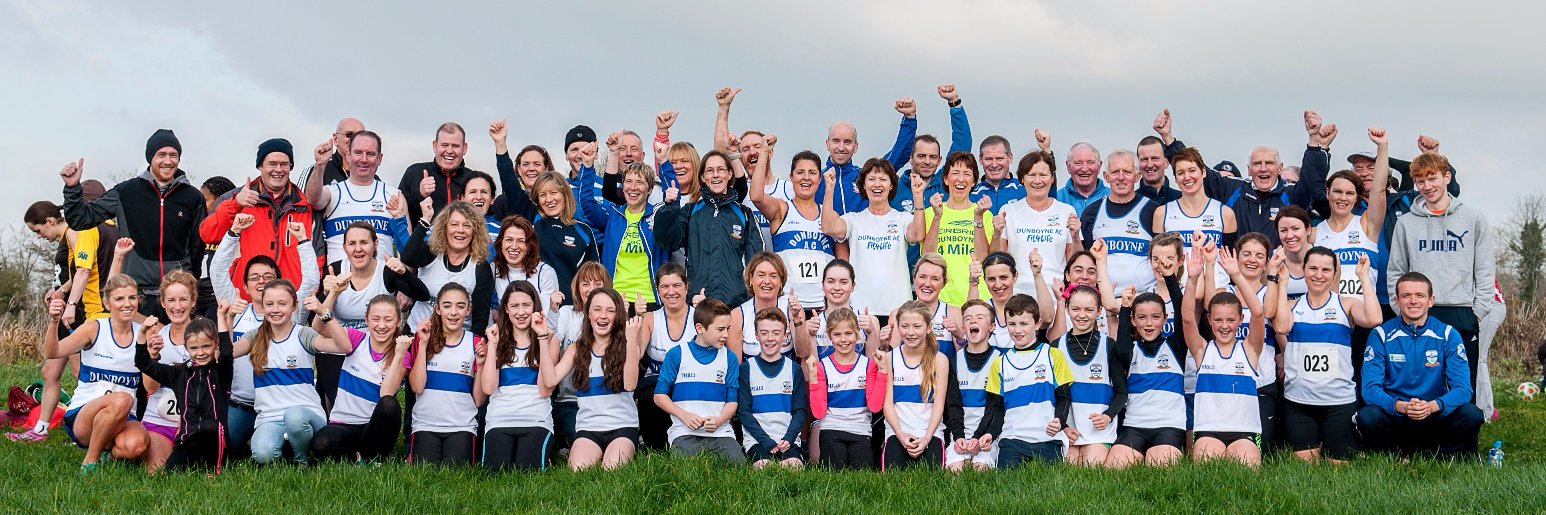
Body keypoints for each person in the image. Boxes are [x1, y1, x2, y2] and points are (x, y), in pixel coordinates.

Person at [59, 130, 207, 317]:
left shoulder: (193, 197)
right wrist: (72, 188)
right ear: (150, 158)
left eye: (173, 155)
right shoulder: (126, 192)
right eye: (161, 155)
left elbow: (197, 246)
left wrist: (189, 281)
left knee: (177, 346)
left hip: (176, 295)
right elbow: (80, 220)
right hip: (136, 293)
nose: (168, 161)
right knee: (139, 346)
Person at [1386, 150, 1496, 399]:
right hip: (1419, 312)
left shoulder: (1474, 219)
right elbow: (1396, 271)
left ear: (1447, 177)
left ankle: (1459, 437)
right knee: (1422, 382)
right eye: (1420, 181)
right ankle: (1422, 437)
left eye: (1432, 178)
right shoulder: (1406, 223)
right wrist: (1400, 309)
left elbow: (1485, 270)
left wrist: (1478, 311)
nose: (1427, 186)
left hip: (1461, 311)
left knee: (1461, 383)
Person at [9, 202, 116, 443]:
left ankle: (85, 428)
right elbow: (71, 274)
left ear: (50, 221)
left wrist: (69, 302)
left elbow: (83, 271)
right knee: (49, 371)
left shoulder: (77, 233)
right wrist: (59, 291)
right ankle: (41, 428)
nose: (39, 237)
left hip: (79, 312)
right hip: (67, 308)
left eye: (38, 231)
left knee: (81, 373)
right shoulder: (66, 239)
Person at [1154, 109, 1334, 247]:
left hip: (1279, 278)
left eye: (1269, 163)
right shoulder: (1234, 189)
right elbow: (1194, 168)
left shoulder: (1292, 194)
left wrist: (1314, 143)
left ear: (1280, 168)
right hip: (1239, 279)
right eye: (1257, 164)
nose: (1263, 168)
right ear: (1248, 169)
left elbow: (1312, 181)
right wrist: (1168, 138)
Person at [1357, 272, 1484, 459]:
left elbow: (1463, 388)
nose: (1413, 301)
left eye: (1420, 295)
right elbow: (1369, 389)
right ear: (1397, 301)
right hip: (1397, 414)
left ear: (1431, 301)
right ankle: (1397, 454)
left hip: (1433, 413)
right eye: (1406, 295)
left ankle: (1438, 455)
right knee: (1367, 416)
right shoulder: (1380, 335)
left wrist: (1433, 406)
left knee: (1471, 414)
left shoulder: (1448, 334)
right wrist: (1400, 406)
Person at [1274, 246, 1381, 463]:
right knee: (1304, 467)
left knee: (1338, 468)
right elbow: (1282, 327)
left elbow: (1374, 319)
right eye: (1312, 268)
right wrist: (1283, 283)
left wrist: (1364, 277)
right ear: (1303, 270)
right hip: (1299, 401)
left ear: (1334, 273)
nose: (1318, 275)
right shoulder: (1292, 306)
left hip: (1338, 402)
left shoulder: (1346, 304)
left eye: (1325, 270)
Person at [232, 278, 354, 465]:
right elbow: (227, 353)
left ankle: (301, 460)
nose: (275, 309)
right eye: (269, 304)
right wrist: (227, 318)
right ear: (263, 307)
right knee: (263, 454)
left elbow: (344, 346)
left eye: (282, 304)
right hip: (271, 417)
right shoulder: (256, 336)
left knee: (294, 417)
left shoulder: (302, 334)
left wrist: (323, 312)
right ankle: (289, 446)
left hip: (306, 414)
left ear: (295, 306)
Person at [43, 275, 150, 472]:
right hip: (83, 416)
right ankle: (90, 461)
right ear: (106, 303)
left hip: (123, 418)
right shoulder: (94, 328)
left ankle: (107, 454)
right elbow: (52, 352)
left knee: (137, 446)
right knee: (122, 399)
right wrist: (53, 322)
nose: (127, 304)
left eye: (132, 298)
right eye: (119, 299)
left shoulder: (145, 333)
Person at [1180, 241, 1271, 467]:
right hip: (1209, 430)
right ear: (1209, 320)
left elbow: (1258, 314)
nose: (1224, 326)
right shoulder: (1202, 350)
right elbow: (1188, 318)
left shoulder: (1249, 349)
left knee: (1246, 475)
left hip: (1244, 431)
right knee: (1208, 473)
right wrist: (1192, 279)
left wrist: (1236, 274)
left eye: (1231, 320)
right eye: (1218, 320)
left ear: (1241, 320)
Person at [199, 138, 318, 301]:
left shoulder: (305, 204)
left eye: (284, 164)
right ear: (260, 166)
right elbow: (208, 234)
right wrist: (235, 205)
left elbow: (318, 252)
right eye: (272, 164)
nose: (278, 169)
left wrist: (305, 294)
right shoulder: (236, 198)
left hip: (291, 302)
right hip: (246, 300)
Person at [654, 149, 765, 306]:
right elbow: (667, 241)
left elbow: (757, 259)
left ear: (730, 174)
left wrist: (749, 297)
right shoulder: (691, 211)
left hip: (735, 304)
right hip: (697, 302)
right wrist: (670, 207)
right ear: (703, 177)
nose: (715, 175)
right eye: (710, 171)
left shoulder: (744, 213)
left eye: (721, 170)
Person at [307, 294, 409, 464]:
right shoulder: (356, 338)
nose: (381, 325)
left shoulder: (402, 353)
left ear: (398, 321)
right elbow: (319, 327)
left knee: (390, 404)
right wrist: (326, 306)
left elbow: (387, 393)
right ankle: (356, 456)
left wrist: (399, 354)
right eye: (375, 319)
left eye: (388, 320)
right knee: (320, 445)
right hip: (344, 423)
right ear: (366, 319)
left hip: (372, 427)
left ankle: (379, 457)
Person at [551, 288, 645, 470]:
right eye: (597, 309)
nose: (603, 316)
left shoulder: (627, 345)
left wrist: (632, 340)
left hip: (622, 426)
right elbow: (550, 380)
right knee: (578, 470)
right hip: (588, 428)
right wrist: (543, 336)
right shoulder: (577, 349)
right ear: (587, 313)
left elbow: (630, 384)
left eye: (610, 311)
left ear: (618, 315)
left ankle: (631, 445)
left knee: (611, 468)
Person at [981, 294, 1073, 468]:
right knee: (1008, 485)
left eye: (1024, 323)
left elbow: (1064, 398)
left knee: (1050, 486)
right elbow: (998, 410)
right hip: (1012, 438)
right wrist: (991, 434)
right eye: (1012, 324)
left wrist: (1059, 421)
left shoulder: (1052, 355)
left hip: (1048, 438)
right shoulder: (999, 363)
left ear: (1037, 324)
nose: (1017, 330)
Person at [822, 158, 923, 316]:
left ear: (891, 185)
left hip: (898, 309)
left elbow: (917, 235)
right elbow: (829, 227)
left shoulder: (902, 218)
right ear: (863, 185)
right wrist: (829, 189)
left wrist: (917, 197)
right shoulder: (854, 219)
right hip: (861, 309)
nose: (877, 185)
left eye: (883, 179)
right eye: (871, 179)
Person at [479, 281, 561, 471]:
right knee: (496, 472)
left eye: (526, 305)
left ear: (535, 306)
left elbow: (545, 389)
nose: (521, 312)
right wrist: (492, 345)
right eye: (514, 306)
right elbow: (488, 388)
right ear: (506, 309)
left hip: (536, 420)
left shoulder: (550, 340)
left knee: (528, 471)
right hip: (500, 420)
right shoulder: (496, 340)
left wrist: (542, 339)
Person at [134, 316, 233, 473]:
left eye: (206, 346)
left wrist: (221, 317)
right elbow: (143, 363)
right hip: (188, 439)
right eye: (194, 348)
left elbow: (227, 353)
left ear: (215, 344)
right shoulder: (180, 374)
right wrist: (142, 333)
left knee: (210, 430)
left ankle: (217, 468)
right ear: (186, 348)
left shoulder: (221, 373)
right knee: (170, 472)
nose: (200, 353)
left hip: (215, 440)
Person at [653, 299, 743, 463]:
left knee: (738, 465)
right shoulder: (677, 354)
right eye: (720, 329)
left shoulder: (729, 357)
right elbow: (659, 396)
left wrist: (719, 421)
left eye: (728, 329)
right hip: (684, 432)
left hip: (721, 432)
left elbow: (732, 401)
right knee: (686, 468)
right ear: (700, 328)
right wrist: (684, 416)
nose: (726, 335)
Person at [405, 283, 485, 466]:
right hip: (425, 425)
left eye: (460, 306)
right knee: (425, 472)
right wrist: (424, 345)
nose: (454, 312)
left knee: (454, 472)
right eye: (447, 306)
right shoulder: (423, 338)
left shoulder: (476, 343)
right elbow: (417, 387)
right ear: (438, 309)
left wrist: (480, 364)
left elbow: (479, 401)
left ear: (468, 310)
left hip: (462, 426)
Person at [752, 143, 835, 306]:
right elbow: (756, 196)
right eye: (800, 172)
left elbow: (842, 263)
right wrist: (763, 153)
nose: (806, 178)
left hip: (822, 305)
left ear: (819, 179)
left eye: (812, 173)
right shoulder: (782, 209)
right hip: (788, 303)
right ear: (791, 178)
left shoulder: (830, 215)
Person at [802, 307, 885, 470]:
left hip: (861, 430)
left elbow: (875, 406)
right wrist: (813, 379)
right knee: (835, 472)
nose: (843, 339)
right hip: (831, 429)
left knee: (861, 475)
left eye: (848, 333)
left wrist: (882, 372)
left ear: (857, 334)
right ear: (829, 337)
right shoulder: (822, 367)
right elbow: (818, 412)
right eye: (837, 334)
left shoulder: (868, 365)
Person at [582, 154, 665, 307]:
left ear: (650, 188)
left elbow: (674, 198)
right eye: (628, 182)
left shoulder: (659, 217)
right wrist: (587, 167)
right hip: (616, 298)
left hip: (650, 299)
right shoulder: (612, 215)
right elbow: (587, 203)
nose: (633, 187)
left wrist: (664, 162)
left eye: (639, 182)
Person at [138, 270, 200, 473]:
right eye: (171, 300)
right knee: (156, 472)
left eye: (183, 299)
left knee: (190, 471)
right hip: (160, 419)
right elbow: (150, 387)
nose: (177, 306)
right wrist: (152, 355)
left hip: (195, 422)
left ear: (193, 301)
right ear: (163, 303)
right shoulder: (157, 337)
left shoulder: (205, 336)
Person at [398, 200, 493, 334]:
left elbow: (480, 320)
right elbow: (407, 257)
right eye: (454, 225)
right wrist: (425, 220)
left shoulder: (480, 268)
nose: (460, 230)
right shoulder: (431, 252)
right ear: (444, 228)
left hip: (456, 340)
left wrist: (469, 348)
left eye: (467, 225)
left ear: (475, 231)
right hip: (417, 332)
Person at [307, 131, 398, 265]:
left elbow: (407, 248)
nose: (364, 159)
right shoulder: (333, 192)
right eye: (358, 153)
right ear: (348, 155)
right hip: (340, 282)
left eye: (370, 154)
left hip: (382, 282)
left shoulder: (394, 195)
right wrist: (320, 165)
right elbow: (312, 199)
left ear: (379, 158)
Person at [880, 300, 951, 470]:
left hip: (930, 433)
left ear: (928, 327)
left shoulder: (940, 360)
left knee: (933, 482)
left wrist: (926, 438)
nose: (911, 332)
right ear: (897, 327)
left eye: (917, 326)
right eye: (905, 326)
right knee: (892, 482)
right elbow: (887, 404)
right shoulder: (889, 359)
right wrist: (901, 435)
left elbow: (939, 405)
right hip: (897, 433)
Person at [997, 149, 1081, 290]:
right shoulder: (1008, 211)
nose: (1037, 181)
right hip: (1017, 294)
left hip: (1055, 293)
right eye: (1031, 175)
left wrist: (1076, 237)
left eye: (1043, 175)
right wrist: (996, 233)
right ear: (1022, 178)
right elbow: (999, 259)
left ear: (1052, 178)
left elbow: (1075, 263)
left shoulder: (1066, 211)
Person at [1080, 147, 1160, 295]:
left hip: (1145, 299)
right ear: (1106, 176)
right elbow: (1084, 259)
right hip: (1104, 300)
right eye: (1115, 172)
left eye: (1127, 172)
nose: (1121, 177)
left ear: (1137, 177)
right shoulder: (1092, 212)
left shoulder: (1153, 211)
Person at [1154, 147, 1237, 288]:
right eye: (1181, 173)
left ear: (1203, 172)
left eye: (1192, 170)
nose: (1187, 177)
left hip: (1217, 292)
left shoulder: (1225, 213)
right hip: (1178, 291)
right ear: (1175, 178)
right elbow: (1156, 258)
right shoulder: (1162, 214)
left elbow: (1230, 258)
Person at [739, 308, 809, 469]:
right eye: (764, 333)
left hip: (787, 439)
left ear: (785, 336)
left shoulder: (794, 369)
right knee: (764, 467)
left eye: (776, 333)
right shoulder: (746, 368)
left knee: (793, 467)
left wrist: (789, 438)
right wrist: (765, 441)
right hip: (757, 440)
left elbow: (800, 411)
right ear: (756, 335)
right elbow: (744, 412)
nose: (770, 338)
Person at [922, 152, 994, 306]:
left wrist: (978, 218)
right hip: (941, 299)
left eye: (967, 174)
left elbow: (982, 260)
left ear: (974, 181)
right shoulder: (930, 213)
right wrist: (937, 217)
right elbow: (927, 256)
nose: (961, 179)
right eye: (955, 173)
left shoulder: (985, 215)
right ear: (946, 179)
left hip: (977, 297)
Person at [638, 263, 697, 450]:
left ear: (687, 287)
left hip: (690, 380)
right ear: (658, 290)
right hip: (656, 384)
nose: (671, 292)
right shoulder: (650, 318)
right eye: (664, 286)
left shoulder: (699, 317)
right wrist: (635, 319)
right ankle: (655, 447)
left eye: (677, 285)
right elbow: (637, 353)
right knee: (650, 395)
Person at [892, 84, 975, 214]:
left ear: (939, 160)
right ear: (910, 158)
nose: (927, 161)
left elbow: (962, 143)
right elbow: (898, 151)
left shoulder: (947, 185)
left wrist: (954, 103)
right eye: (921, 156)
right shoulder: (894, 188)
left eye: (933, 157)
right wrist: (909, 119)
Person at [943, 300, 1004, 471]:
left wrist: (981, 436)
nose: (973, 321)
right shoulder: (953, 361)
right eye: (968, 318)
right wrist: (958, 436)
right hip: (961, 434)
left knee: (980, 469)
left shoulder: (1000, 361)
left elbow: (997, 407)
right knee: (955, 470)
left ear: (992, 326)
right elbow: (952, 406)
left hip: (989, 436)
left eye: (980, 317)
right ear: (963, 327)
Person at [399, 123, 481, 225]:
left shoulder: (473, 180)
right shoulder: (414, 172)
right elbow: (399, 217)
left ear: (464, 148)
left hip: (463, 239)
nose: (449, 151)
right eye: (444, 145)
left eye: (455, 146)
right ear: (435, 146)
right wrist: (420, 195)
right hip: (423, 240)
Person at [727, 252, 791, 360]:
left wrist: (798, 320)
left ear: (781, 281)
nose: (767, 281)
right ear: (751, 279)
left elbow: (803, 354)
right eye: (761, 275)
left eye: (773, 276)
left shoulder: (791, 310)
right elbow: (736, 366)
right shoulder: (737, 316)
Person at [491, 216, 561, 311]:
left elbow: (552, 322)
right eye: (509, 240)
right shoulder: (492, 270)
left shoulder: (545, 273)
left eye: (521, 241)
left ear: (529, 246)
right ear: (501, 243)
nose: (514, 246)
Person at [970, 134, 1032, 213]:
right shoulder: (971, 194)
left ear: (1010, 158)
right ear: (981, 159)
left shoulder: (1025, 189)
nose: (994, 165)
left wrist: (1046, 151)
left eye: (999, 158)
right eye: (989, 159)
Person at [299, 117, 367, 186]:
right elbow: (300, 196)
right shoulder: (316, 170)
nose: (354, 139)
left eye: (360, 136)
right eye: (349, 135)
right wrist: (319, 166)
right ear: (336, 139)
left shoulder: (372, 177)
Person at [1054, 143, 1109, 214]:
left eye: (1090, 162)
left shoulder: (1113, 197)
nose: (1084, 169)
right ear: (1068, 166)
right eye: (1078, 163)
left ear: (1099, 166)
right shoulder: (1056, 200)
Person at [1135, 136, 1182, 205]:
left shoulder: (1182, 200)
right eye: (1144, 159)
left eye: (1155, 158)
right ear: (1138, 164)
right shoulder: (1129, 202)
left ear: (1166, 162)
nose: (1149, 165)